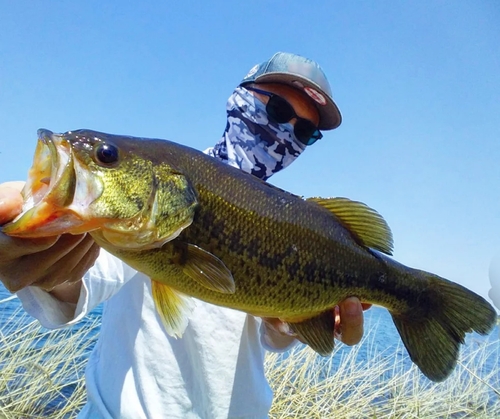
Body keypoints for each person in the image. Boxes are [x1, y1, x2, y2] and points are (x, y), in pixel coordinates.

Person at [0, 52, 369, 419]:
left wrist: (294, 321)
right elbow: (82, 282)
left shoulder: (292, 224)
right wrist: (43, 263)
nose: (286, 132)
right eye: (276, 110)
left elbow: (270, 336)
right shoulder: (161, 189)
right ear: (239, 99)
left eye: (305, 131)